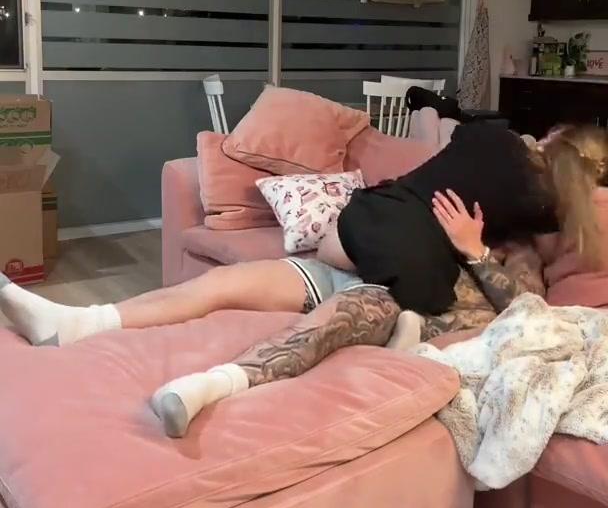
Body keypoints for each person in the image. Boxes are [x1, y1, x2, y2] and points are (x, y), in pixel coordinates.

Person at [1, 124, 606, 437]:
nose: (528, 147)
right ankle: (76, 323)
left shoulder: (519, 238)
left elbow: (529, 309)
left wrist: (474, 250)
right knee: (223, 286)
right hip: (354, 262)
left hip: (392, 293)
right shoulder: (473, 187)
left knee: (325, 325)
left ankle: (206, 388)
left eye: (540, 145)